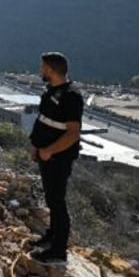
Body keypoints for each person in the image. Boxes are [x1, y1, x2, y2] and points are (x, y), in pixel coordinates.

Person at [28, 52, 83, 265]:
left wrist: (50, 150)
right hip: (45, 154)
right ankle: (52, 235)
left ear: (51, 69)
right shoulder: (52, 91)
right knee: (51, 198)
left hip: (58, 159)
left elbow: (72, 133)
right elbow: (45, 121)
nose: (41, 70)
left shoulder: (71, 96)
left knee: (57, 201)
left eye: (43, 67)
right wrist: (38, 147)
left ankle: (58, 249)